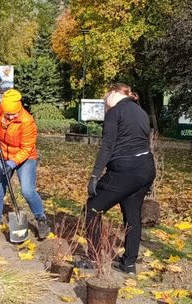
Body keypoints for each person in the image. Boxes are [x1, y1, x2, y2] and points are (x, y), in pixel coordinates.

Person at [82, 83, 156, 275]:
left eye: (106, 95)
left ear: (115, 93)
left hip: (125, 170)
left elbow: (107, 146)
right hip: (146, 169)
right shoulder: (141, 112)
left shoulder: (115, 112)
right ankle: (129, 264)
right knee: (132, 215)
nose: (105, 100)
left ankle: (93, 257)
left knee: (92, 210)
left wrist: (95, 175)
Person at [0, 89, 50, 240]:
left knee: (28, 191)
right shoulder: (0, 109)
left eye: (13, 114)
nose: (10, 117)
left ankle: (41, 220)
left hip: (25, 158)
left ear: (19, 108)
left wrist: (13, 162)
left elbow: (27, 148)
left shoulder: (27, 121)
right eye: (7, 114)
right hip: (1, 155)